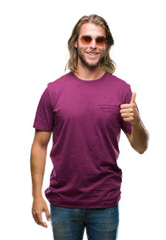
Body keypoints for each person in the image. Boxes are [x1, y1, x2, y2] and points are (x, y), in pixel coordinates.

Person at [30, 14, 149, 240]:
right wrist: (37, 195)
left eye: (100, 40)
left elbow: (141, 147)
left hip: (105, 203)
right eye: (87, 39)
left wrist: (137, 121)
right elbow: (39, 145)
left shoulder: (122, 90)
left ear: (106, 45)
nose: (93, 45)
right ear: (75, 42)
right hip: (63, 202)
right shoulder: (53, 91)